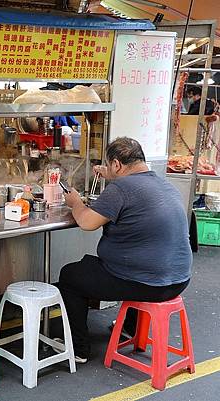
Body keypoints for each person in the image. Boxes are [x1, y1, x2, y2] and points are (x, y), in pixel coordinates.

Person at [57, 137, 192, 363]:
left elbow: (87, 223)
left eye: (110, 165)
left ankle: (77, 348)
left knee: (70, 275)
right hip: (178, 280)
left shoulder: (121, 187)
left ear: (117, 165)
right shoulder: (165, 185)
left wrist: (75, 202)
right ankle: (129, 330)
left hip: (146, 283)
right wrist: (107, 172)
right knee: (114, 263)